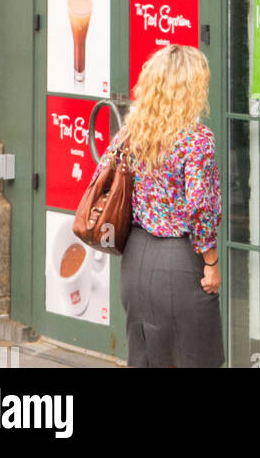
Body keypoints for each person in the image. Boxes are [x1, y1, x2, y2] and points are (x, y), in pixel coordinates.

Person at [88, 43, 223, 368]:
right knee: (195, 360)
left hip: (135, 261)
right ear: (191, 89)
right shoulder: (196, 140)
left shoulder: (130, 135)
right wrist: (211, 261)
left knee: (146, 360)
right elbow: (199, 206)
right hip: (179, 263)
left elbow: (99, 183)